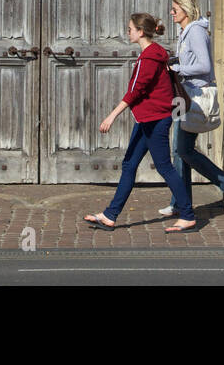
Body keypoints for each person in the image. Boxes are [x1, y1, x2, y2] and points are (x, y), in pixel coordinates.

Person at [84, 13, 197, 232]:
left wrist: (112, 115)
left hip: (155, 120)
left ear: (140, 31)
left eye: (130, 29)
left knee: (165, 167)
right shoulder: (155, 54)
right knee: (129, 165)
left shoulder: (148, 58)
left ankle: (188, 215)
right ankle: (110, 215)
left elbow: (135, 91)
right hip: (147, 118)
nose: (128, 32)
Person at [158, 0, 224, 218]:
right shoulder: (185, 32)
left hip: (194, 95)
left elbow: (204, 65)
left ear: (185, 9)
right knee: (178, 151)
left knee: (183, 149)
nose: (172, 13)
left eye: (175, 9)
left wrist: (178, 69)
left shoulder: (195, 31)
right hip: (182, 94)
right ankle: (179, 202)